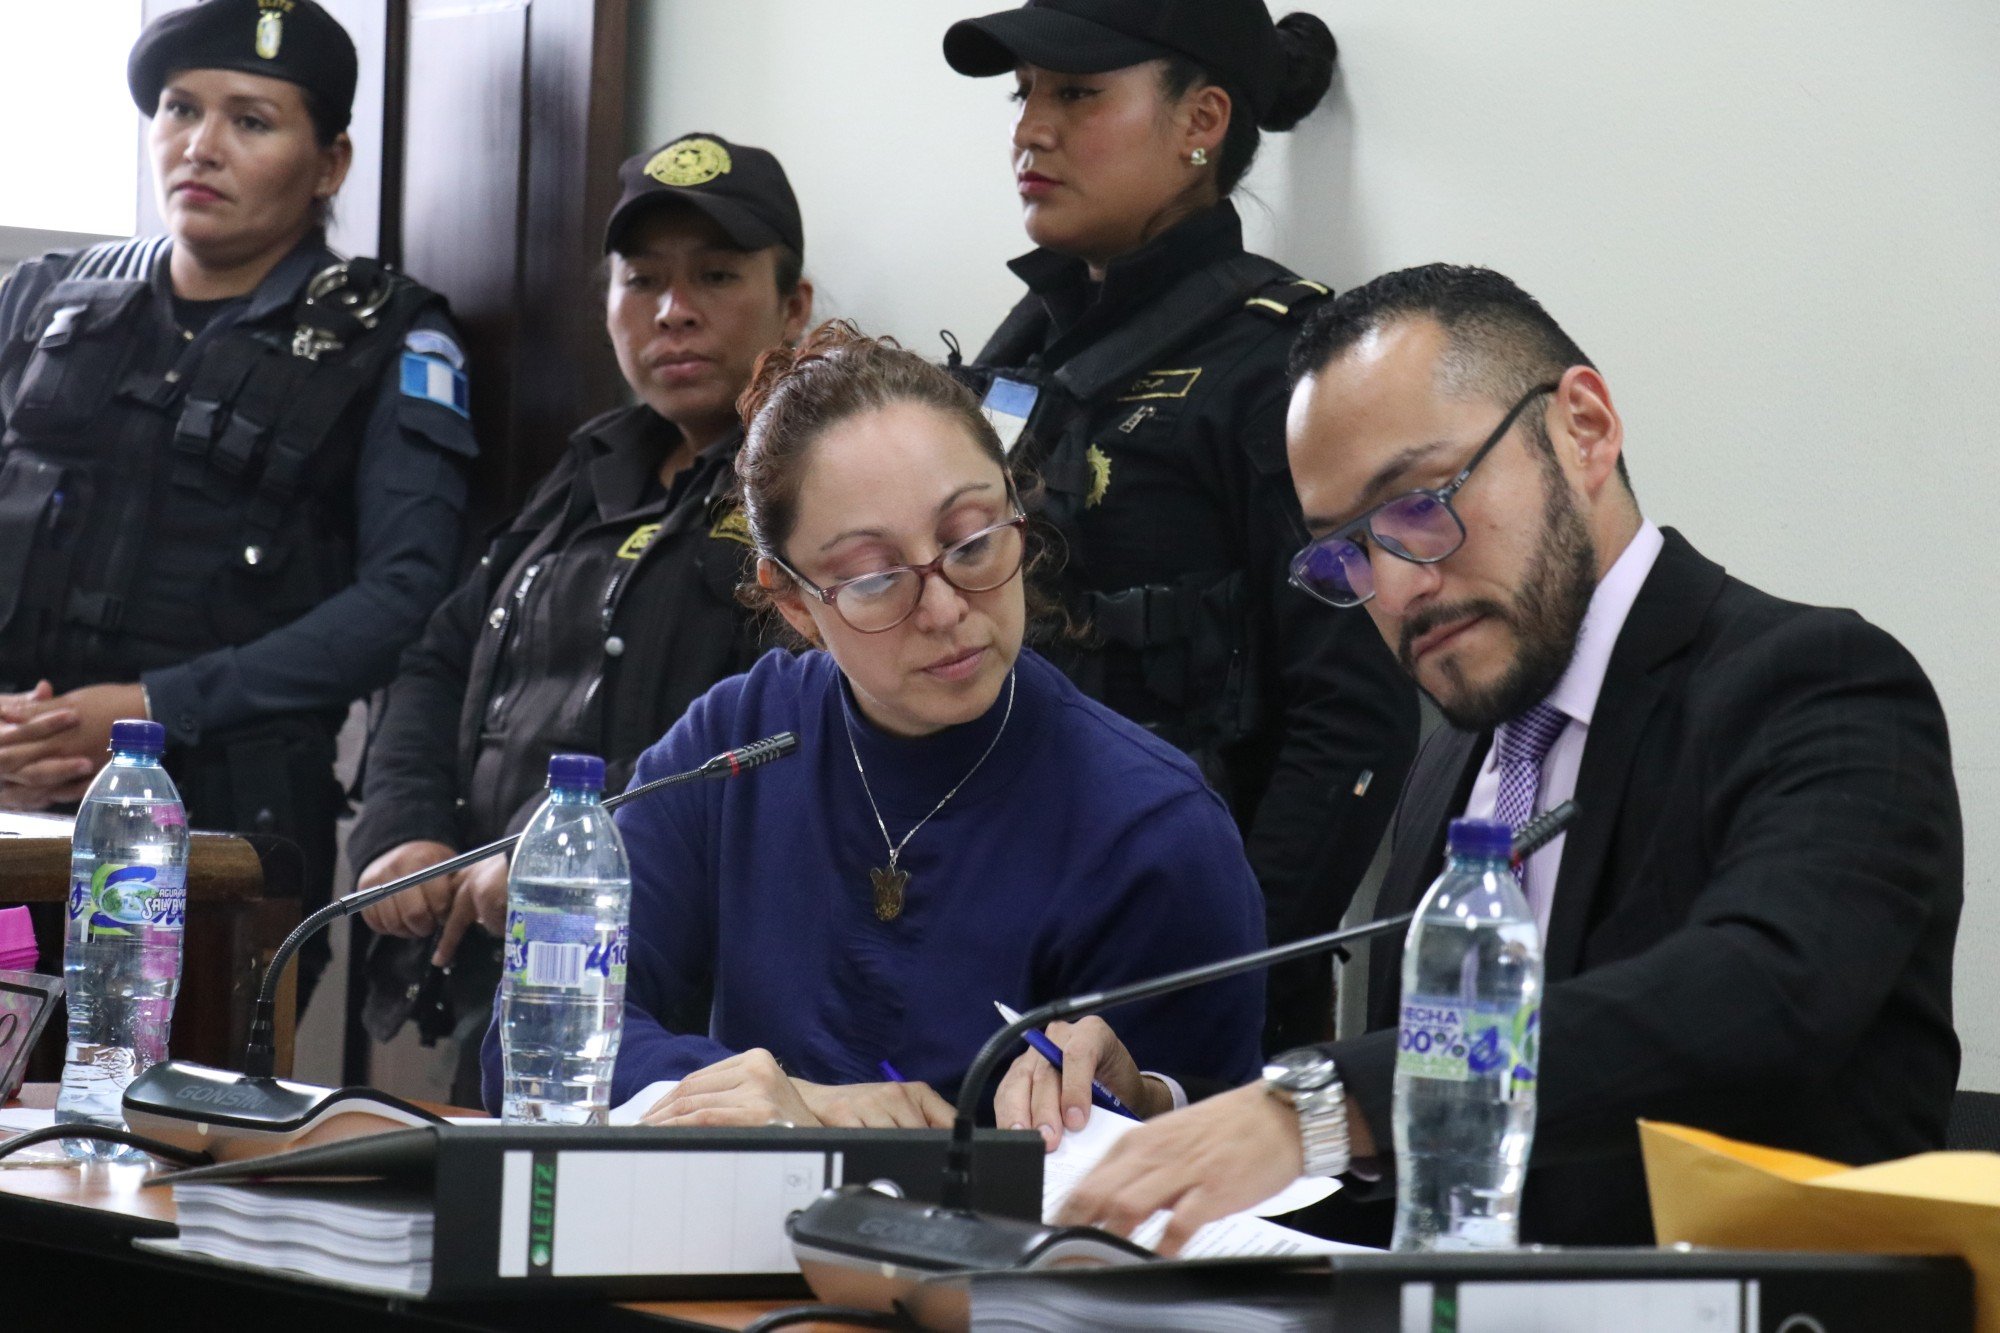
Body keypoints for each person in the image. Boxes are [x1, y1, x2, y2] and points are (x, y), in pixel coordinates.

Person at [1019, 264, 1961, 1248]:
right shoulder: (1452, 765)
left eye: (1420, 502)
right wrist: (1168, 1130)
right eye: (1344, 552)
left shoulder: (1817, 685)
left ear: (1582, 429)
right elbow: (1425, 1180)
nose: (1391, 589)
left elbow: (1765, 993)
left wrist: (1322, 1104)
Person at [477, 323, 1269, 1126]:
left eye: (973, 541)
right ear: (794, 602)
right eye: (876, 578)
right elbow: (534, 1034)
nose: (947, 608)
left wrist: (1138, 1096)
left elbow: (1216, 1144)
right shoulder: (735, 744)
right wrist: (791, 1106)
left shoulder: (1152, 826)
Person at [942, 0, 1418, 1051]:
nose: (1028, 129)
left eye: (1075, 93)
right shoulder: (1023, 345)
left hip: (1183, 998)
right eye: (1023, 94)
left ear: (1199, 119)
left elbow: (1353, 718)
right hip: (999, 955)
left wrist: (1206, 973)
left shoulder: (1285, 364)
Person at [0, 0, 476, 998]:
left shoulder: (391, 341)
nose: (199, 146)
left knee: (166, 1135)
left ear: (330, 162)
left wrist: (148, 712)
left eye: (250, 121)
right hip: (11, 812)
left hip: (217, 844)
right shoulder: (42, 301)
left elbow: (406, 595)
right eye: (179, 109)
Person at [345, 134, 812, 1104]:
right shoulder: (597, 464)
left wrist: (561, 854)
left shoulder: (812, 486)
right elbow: (441, 653)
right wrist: (405, 829)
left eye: (715, 277)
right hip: (487, 958)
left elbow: (763, 728)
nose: (672, 312)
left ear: (793, 305)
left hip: (670, 994)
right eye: (640, 281)